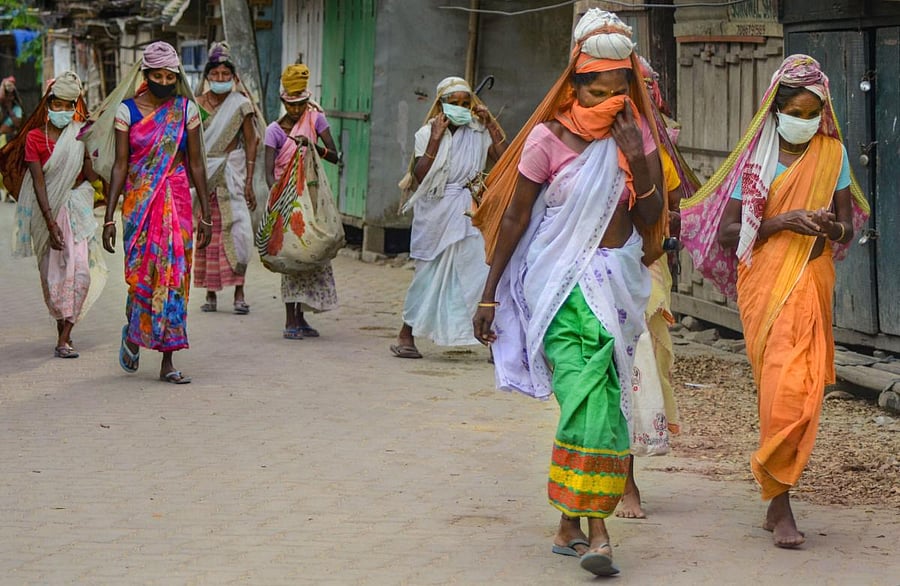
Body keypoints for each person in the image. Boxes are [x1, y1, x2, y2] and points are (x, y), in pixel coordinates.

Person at [472, 9, 666, 577]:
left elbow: (652, 217)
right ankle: (598, 529)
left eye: (618, 90)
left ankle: (567, 523)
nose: (608, 102)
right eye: (596, 91)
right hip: (559, 286)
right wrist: (489, 295)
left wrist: (637, 159)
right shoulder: (546, 139)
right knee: (590, 400)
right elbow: (515, 217)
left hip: (619, 285)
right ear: (573, 87)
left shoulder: (636, 136)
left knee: (596, 404)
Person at [680, 55, 869, 548]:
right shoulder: (755, 159)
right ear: (777, 109)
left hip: (811, 279)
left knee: (805, 391)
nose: (804, 122)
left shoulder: (833, 154)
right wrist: (781, 222)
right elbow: (728, 234)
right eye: (796, 113)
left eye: (813, 113)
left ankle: (776, 487)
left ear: (823, 113)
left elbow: (847, 227)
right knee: (781, 388)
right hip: (765, 286)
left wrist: (829, 227)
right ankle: (780, 501)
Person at [81, 40, 213, 384]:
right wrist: (108, 217)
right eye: (158, 76)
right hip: (138, 204)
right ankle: (134, 330)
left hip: (177, 199)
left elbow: (197, 164)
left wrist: (206, 212)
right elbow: (120, 166)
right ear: (146, 74)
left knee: (174, 278)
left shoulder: (187, 110)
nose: (165, 83)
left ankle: (168, 359)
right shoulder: (126, 112)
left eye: (171, 77)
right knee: (140, 277)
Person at [616, 55, 699, 519]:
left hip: (645, 270)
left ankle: (628, 479)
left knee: (640, 368)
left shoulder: (659, 152)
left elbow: (675, 211)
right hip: (597, 269)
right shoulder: (580, 141)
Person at [390, 76, 507, 359]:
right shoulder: (426, 133)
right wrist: (436, 138)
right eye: (454, 103)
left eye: (466, 104)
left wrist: (491, 124)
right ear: (441, 104)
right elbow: (420, 176)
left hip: (469, 211)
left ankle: (494, 342)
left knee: (478, 272)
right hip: (436, 213)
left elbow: (505, 159)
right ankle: (406, 335)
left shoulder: (479, 131)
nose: (461, 108)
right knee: (427, 276)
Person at [8, 71, 108, 357]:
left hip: (76, 211)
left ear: (75, 106)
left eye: (68, 105)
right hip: (47, 214)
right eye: (58, 104)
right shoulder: (35, 138)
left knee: (81, 272)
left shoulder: (80, 134)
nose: (63, 110)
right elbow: (39, 183)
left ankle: (65, 337)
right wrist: (50, 223)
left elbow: (91, 175)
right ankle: (62, 331)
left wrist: (94, 142)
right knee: (53, 277)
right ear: (48, 104)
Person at [264, 64, 340, 340]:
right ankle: (290, 319)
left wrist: (311, 146)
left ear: (307, 100)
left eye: (301, 104)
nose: (296, 110)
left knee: (313, 252)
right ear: (283, 101)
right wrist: (278, 201)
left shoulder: (316, 120)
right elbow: (268, 172)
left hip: (313, 197)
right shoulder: (274, 131)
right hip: (288, 201)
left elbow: (334, 155)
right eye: (291, 104)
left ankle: (302, 316)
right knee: (291, 256)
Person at [193, 42, 260, 315]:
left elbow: (252, 141)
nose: (220, 78)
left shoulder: (241, 104)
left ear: (233, 77)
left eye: (225, 74)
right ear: (207, 76)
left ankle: (239, 293)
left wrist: (249, 180)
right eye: (215, 74)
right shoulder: (196, 105)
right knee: (208, 234)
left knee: (238, 233)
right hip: (204, 178)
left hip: (232, 175)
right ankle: (210, 294)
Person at [1, 76, 24, 202]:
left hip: (10, 139)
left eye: (11, 95)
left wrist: (10, 109)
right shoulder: (1, 108)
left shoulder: (16, 109)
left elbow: (17, 123)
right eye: (7, 95)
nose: (9, 98)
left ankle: (10, 191)